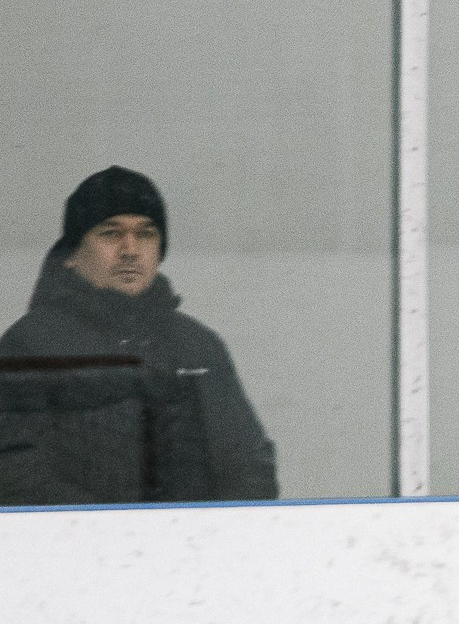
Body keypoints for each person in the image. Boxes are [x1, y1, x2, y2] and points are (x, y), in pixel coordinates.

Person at [0, 166, 278, 501]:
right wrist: (113, 534)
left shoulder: (197, 346)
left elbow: (247, 466)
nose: (130, 250)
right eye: (110, 233)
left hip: (191, 548)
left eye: (145, 234)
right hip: (77, 548)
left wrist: (209, 539)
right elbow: (14, 472)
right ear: (71, 256)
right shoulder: (30, 347)